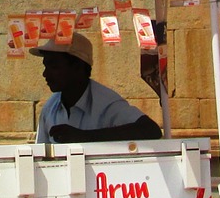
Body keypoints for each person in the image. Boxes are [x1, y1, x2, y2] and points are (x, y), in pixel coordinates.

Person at [33, 31, 163, 144]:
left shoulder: (106, 103)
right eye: (46, 66)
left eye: (54, 66)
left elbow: (150, 130)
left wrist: (83, 136)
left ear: (78, 67)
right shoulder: (50, 108)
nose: (45, 74)